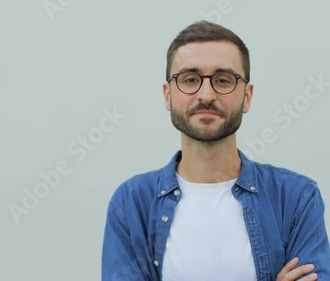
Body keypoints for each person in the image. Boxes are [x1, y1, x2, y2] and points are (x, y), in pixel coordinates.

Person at [101, 21, 330, 281]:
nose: (206, 94)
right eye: (190, 79)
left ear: (247, 96)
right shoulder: (131, 203)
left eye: (223, 80)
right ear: (168, 95)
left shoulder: (297, 198)